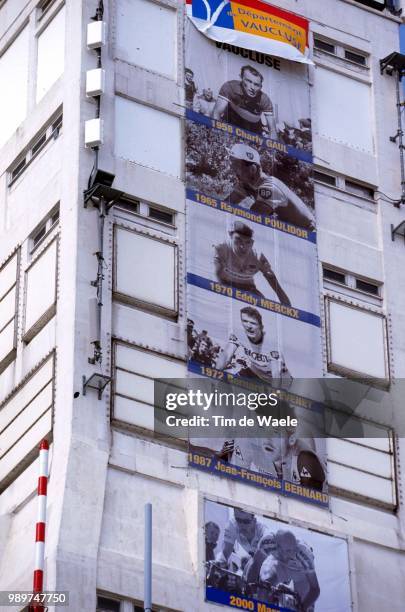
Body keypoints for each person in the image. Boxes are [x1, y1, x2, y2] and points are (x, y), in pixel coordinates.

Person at [228, 143, 315, 230]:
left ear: (252, 169)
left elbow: (251, 221)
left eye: (236, 166)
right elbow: (228, 203)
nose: (232, 169)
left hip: (308, 232)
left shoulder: (270, 187)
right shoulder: (247, 183)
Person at [213, 220, 291, 304]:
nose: (243, 246)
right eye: (238, 240)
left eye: (247, 242)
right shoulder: (222, 249)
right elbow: (217, 277)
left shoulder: (258, 257)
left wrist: (287, 307)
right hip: (226, 286)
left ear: (252, 243)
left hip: (248, 289)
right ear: (231, 237)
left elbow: (274, 282)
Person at [216, 306, 292, 385]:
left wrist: (275, 394)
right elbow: (226, 355)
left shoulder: (271, 343)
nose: (248, 326)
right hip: (256, 373)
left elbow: (276, 374)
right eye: (245, 321)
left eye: (253, 323)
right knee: (224, 384)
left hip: (280, 381)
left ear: (261, 326)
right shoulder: (239, 333)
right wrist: (215, 374)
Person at [258, 529, 320, 612]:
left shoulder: (303, 554)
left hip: (300, 571)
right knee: (264, 585)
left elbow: (315, 589)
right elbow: (255, 563)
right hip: (278, 563)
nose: (293, 553)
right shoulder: (267, 542)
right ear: (277, 547)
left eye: (294, 549)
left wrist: (301, 608)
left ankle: (288, 594)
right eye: (289, 551)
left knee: (305, 605)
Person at [213, 66, 277, 136]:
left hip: (253, 125)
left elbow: (273, 130)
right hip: (232, 118)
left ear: (261, 87)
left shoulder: (264, 99)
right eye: (249, 81)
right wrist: (216, 135)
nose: (252, 87)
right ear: (241, 78)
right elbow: (216, 113)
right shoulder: (230, 87)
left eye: (256, 85)